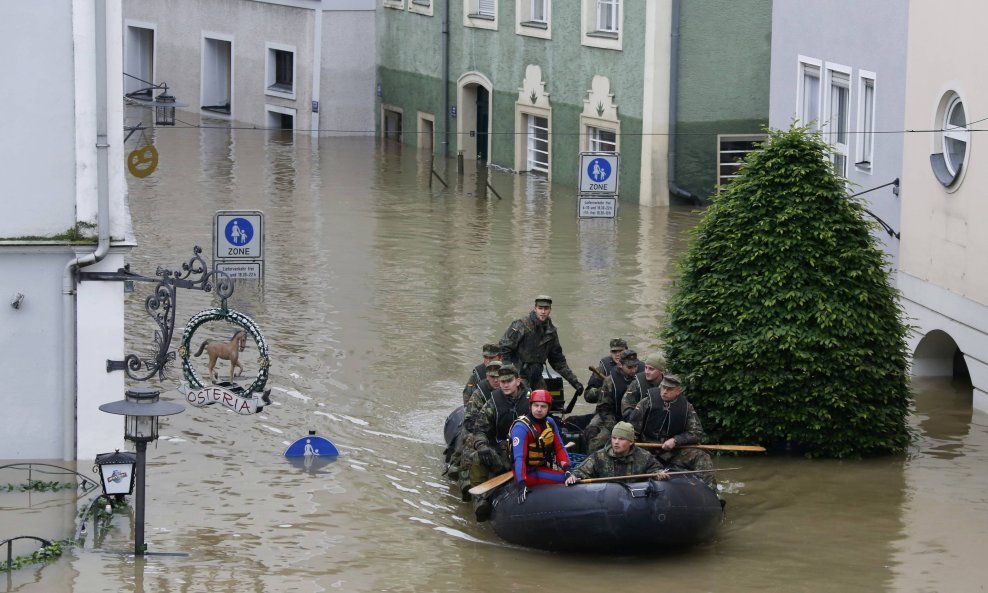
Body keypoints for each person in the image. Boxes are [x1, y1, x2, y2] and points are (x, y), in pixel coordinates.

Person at [464, 364, 531, 520]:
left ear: (518, 381)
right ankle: (480, 501)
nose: (505, 385)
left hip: (528, 454)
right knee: (477, 457)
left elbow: (545, 425)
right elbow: (480, 429)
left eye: (509, 381)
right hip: (502, 455)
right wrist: (482, 446)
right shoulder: (493, 402)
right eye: (502, 381)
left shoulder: (532, 401)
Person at [627, 373, 717, 490]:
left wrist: (676, 440)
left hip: (673, 451)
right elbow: (631, 428)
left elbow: (696, 432)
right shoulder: (646, 403)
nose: (664, 391)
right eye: (663, 387)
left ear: (678, 391)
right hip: (647, 450)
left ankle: (711, 493)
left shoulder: (686, 408)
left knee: (701, 455)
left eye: (669, 389)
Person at [499, 295, 583, 396]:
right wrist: (509, 375)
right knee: (526, 398)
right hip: (519, 375)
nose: (543, 312)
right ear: (535, 309)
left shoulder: (551, 332)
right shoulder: (521, 325)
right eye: (540, 308)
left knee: (545, 400)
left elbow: (558, 361)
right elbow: (504, 348)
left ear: (550, 310)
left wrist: (575, 382)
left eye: (546, 309)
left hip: (537, 376)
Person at [449, 360, 502, 493]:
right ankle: (464, 477)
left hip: (504, 432)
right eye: (492, 377)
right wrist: (484, 431)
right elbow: (470, 420)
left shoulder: (512, 392)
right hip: (482, 430)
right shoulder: (479, 394)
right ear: (487, 377)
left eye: (499, 377)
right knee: (470, 439)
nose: (496, 381)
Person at [565, 422, 666, 484]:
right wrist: (574, 476)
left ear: (631, 442)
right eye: (614, 438)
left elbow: (656, 470)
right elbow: (581, 471)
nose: (616, 442)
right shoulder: (599, 456)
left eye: (621, 439)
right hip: (606, 501)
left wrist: (659, 474)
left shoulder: (644, 457)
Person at [584, 349, 645, 452]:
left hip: (638, 421)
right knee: (596, 442)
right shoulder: (610, 381)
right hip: (615, 418)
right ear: (620, 364)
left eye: (636, 366)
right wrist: (616, 429)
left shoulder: (643, 379)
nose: (634, 370)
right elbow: (604, 408)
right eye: (630, 367)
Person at [509, 389, 571, 488]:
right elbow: (519, 458)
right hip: (528, 473)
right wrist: (522, 483)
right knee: (564, 479)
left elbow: (559, 448)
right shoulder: (521, 427)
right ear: (530, 406)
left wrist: (567, 469)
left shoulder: (550, 422)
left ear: (548, 408)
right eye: (536, 405)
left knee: (570, 476)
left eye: (543, 406)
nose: (539, 409)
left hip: (542, 467)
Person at [620, 352, 665, 422]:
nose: (647, 372)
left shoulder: (668, 385)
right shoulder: (637, 383)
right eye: (646, 368)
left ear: (661, 371)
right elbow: (626, 407)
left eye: (651, 369)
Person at [583, 338, 628, 404]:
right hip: (608, 409)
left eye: (620, 351)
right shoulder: (603, 368)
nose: (617, 354)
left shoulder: (635, 365)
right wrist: (605, 389)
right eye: (614, 352)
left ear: (626, 350)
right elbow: (587, 396)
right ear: (610, 352)